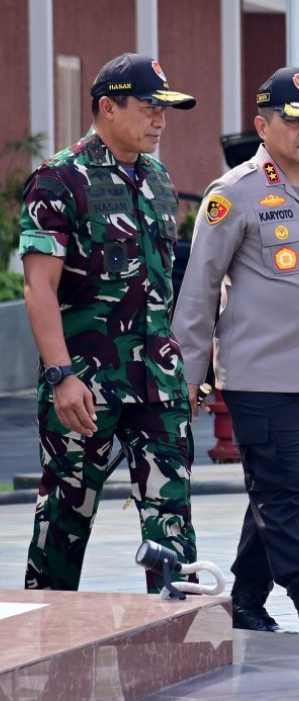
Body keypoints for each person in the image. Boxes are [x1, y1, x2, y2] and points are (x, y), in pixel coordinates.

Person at [172, 67, 299, 639]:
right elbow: (199, 288)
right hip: (257, 375)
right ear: (263, 126)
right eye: (295, 120)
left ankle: (246, 602)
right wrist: (190, 372)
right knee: (284, 493)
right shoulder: (233, 193)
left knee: (278, 492)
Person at [20, 53, 198, 594]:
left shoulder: (159, 179)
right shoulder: (59, 179)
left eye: (164, 109)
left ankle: (174, 635)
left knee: (172, 516)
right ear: (107, 106)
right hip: (85, 384)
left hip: (157, 384)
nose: (160, 120)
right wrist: (59, 375)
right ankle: (43, 633)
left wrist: (182, 370)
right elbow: (38, 287)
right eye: (148, 108)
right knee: (66, 516)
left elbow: (163, 285)